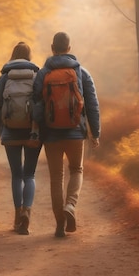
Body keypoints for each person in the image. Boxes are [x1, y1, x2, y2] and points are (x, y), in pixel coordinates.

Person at [33, 32, 100, 238]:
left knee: (56, 178)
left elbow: (36, 106)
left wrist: (39, 129)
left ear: (52, 48)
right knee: (76, 170)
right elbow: (92, 105)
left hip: (51, 134)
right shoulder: (82, 73)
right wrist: (95, 132)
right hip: (75, 133)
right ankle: (70, 205)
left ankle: (60, 225)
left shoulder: (43, 73)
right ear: (69, 48)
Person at [0, 41, 42, 235]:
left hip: (10, 132)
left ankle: (17, 215)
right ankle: (27, 211)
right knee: (30, 175)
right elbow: (40, 105)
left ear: (13, 55)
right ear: (29, 56)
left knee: (16, 175)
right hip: (32, 132)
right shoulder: (37, 76)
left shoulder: (4, 78)